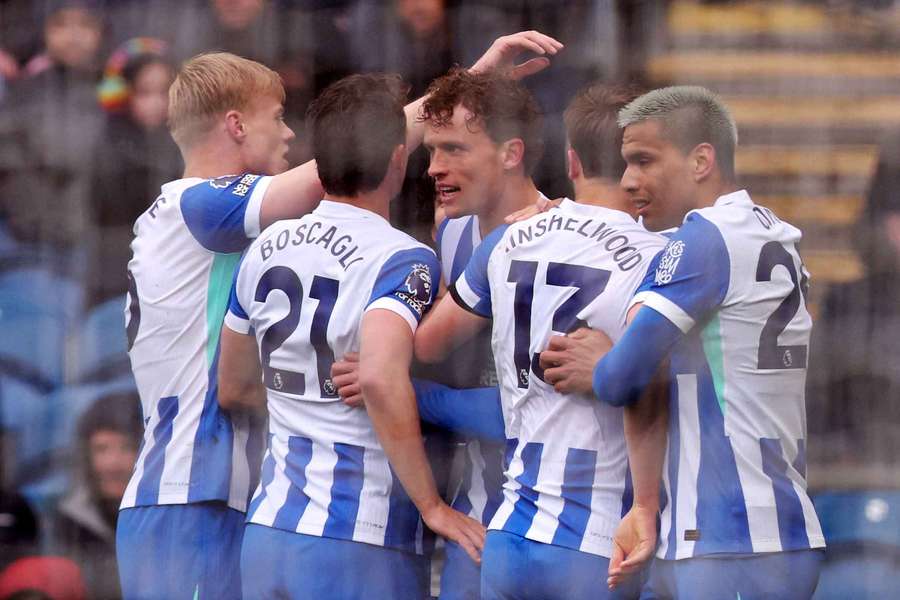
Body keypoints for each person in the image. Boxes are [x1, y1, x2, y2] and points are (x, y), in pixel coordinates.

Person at [117, 32, 563, 600]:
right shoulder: (199, 204)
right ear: (234, 125)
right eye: (277, 118)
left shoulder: (259, 245)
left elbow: (236, 385)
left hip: (249, 504)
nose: (287, 136)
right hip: (201, 487)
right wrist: (459, 92)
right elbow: (343, 159)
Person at [539, 86, 826, 599]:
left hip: (728, 536)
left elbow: (621, 379)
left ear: (700, 160)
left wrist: (601, 359)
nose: (629, 181)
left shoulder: (702, 241)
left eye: (644, 161)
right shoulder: (774, 231)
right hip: (768, 526)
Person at [218, 73, 484, 600]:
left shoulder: (265, 246)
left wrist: (308, 397)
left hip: (269, 528)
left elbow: (230, 388)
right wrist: (432, 506)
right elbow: (382, 380)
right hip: (360, 534)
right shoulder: (403, 258)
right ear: (397, 160)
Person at [412, 83, 665, 600]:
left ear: (571, 160)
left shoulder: (507, 239)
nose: (436, 168)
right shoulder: (664, 259)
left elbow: (422, 346)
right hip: (594, 537)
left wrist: (405, 392)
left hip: (511, 529)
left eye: (452, 149)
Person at [52, 393, 141, 600]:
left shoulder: (164, 515)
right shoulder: (69, 520)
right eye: (101, 449)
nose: (113, 464)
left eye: (126, 447)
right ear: (85, 455)